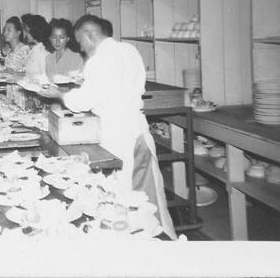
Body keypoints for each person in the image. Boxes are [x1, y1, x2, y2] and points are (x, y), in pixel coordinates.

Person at [38, 15, 177, 239]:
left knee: (124, 196)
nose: (81, 47)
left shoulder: (100, 60)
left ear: (90, 35)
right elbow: (115, 87)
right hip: (137, 128)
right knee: (149, 195)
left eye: (80, 41)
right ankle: (156, 238)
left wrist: (59, 94)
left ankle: (148, 244)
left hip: (118, 135)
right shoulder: (128, 50)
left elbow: (84, 101)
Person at [23, 14, 51, 80]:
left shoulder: (42, 52)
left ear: (34, 31)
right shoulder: (34, 50)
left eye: (27, 31)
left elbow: (46, 79)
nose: (25, 34)